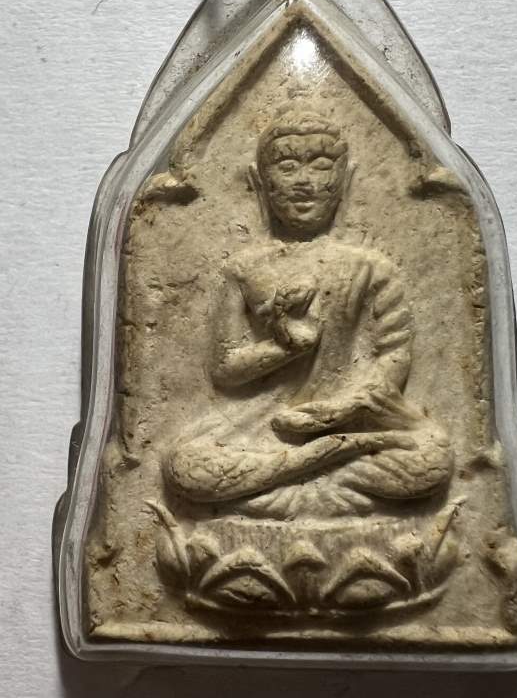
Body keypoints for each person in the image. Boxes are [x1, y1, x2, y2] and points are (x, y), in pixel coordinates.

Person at [164, 114, 452, 519]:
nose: (304, 181)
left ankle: (300, 475)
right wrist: (287, 347)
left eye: (320, 166)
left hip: (353, 422)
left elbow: (393, 353)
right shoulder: (243, 269)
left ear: (345, 179)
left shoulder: (371, 268)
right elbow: (226, 368)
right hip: (264, 426)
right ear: (260, 181)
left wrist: (350, 406)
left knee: (434, 461)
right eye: (287, 167)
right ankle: (324, 471)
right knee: (185, 466)